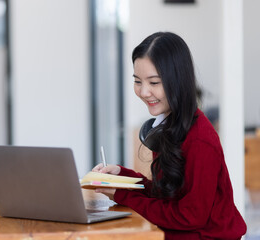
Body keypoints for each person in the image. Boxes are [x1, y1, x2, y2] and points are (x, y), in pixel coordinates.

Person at [93, 32, 247, 239]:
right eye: (138, 81)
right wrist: (122, 177)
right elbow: (165, 195)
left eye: (154, 83)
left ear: (178, 81)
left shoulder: (200, 139)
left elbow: (190, 216)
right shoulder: (171, 125)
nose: (144, 92)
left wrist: (124, 195)